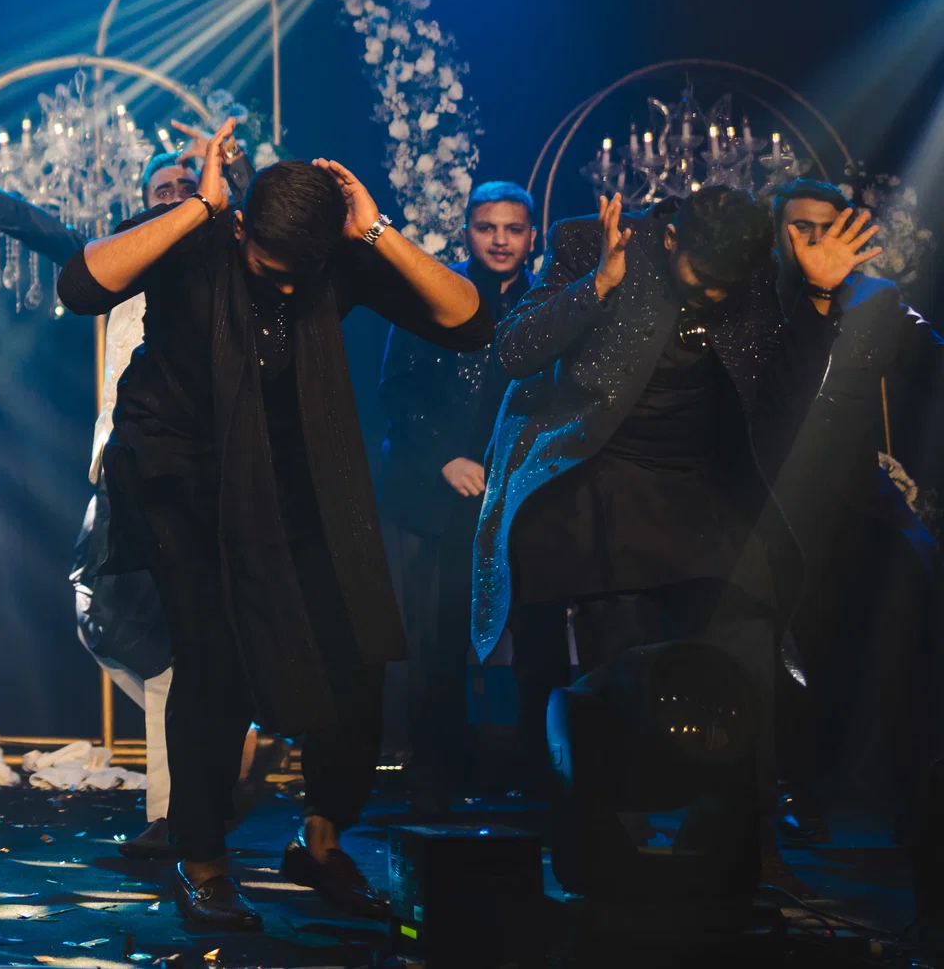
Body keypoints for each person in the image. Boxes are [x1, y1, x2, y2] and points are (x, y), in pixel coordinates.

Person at [58, 126, 487, 933]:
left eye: (303, 272)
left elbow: (469, 321)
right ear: (243, 228)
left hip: (293, 475)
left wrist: (375, 228)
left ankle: (319, 841)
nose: (288, 286)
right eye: (270, 267)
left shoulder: (329, 260)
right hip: (179, 474)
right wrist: (197, 207)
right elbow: (80, 284)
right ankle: (202, 858)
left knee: (356, 641)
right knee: (213, 656)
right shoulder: (201, 239)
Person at [475, 186, 875, 860]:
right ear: (669, 240)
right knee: (618, 663)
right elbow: (513, 352)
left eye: (726, 284)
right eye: (702, 277)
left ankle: (746, 849)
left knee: (748, 648)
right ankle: (612, 848)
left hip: (702, 488)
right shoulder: (589, 241)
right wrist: (597, 286)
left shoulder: (748, 274)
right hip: (597, 474)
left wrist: (816, 298)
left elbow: (783, 400)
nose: (715, 294)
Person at [0, 137, 204, 857]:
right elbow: (51, 236)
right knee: (103, 618)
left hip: (194, 472)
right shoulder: (124, 262)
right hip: (122, 463)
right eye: (160, 189)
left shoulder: (220, 264)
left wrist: (229, 181)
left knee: (172, 647)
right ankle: (216, 737)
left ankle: (176, 812)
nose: (171, 196)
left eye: (184, 186)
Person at [764, 180, 940, 842]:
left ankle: (915, 800)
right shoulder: (758, 300)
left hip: (858, 496)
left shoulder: (876, 298)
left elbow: (933, 362)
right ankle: (792, 790)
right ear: (777, 233)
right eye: (799, 226)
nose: (814, 238)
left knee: (913, 607)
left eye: (825, 225)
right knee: (788, 647)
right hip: (774, 500)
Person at [374, 180, 537, 818]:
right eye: (487, 227)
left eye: (513, 229)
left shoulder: (546, 300)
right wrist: (445, 457)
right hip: (438, 498)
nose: (500, 240)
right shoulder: (431, 291)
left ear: (531, 235)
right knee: (438, 642)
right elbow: (395, 389)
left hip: (520, 496)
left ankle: (524, 774)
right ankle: (436, 777)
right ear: (467, 230)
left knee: (528, 641)